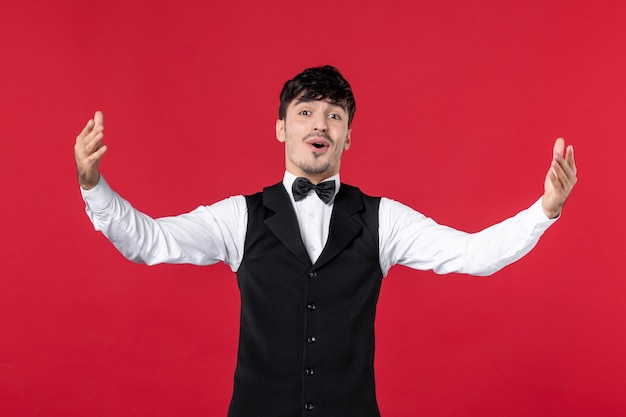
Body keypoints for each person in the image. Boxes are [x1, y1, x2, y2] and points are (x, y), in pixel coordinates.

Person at [74, 65, 577, 417]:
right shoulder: (239, 217)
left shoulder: (383, 219)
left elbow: (473, 254)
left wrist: (545, 209)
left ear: (348, 136)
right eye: (306, 111)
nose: (320, 123)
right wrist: (93, 185)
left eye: (335, 115)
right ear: (281, 128)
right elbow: (149, 240)